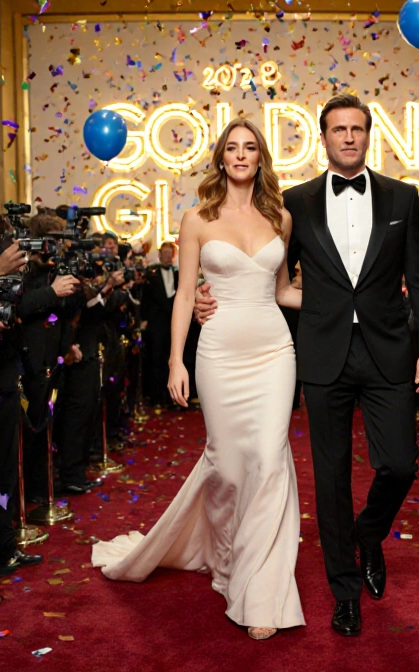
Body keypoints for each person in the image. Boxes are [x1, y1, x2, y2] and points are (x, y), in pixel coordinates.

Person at [197, 93, 419, 637]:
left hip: (388, 351)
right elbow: (267, 277)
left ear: (368, 135)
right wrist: (205, 297)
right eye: (338, 129)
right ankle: (344, 593)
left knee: (400, 463)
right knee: (330, 479)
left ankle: (368, 532)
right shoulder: (295, 203)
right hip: (322, 352)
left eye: (357, 129)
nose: (348, 137)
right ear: (324, 137)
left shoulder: (403, 197)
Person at [90, 117, 304, 641]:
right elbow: (186, 294)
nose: (240, 154)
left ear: (260, 157)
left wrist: (346, 298)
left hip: (275, 351)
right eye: (232, 147)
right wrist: (175, 361)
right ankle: (226, 562)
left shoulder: (280, 217)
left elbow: (281, 291)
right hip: (219, 354)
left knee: (269, 461)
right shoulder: (196, 219)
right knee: (227, 468)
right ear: (221, 158)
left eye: (249, 147)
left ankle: (260, 591)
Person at [141, 241, 178, 407]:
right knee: (155, 359)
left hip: (174, 324)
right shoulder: (151, 274)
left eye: (171, 254)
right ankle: (155, 397)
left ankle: (172, 397)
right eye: (165, 254)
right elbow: (146, 300)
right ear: (160, 255)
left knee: (173, 358)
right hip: (157, 324)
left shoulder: (179, 274)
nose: (168, 257)